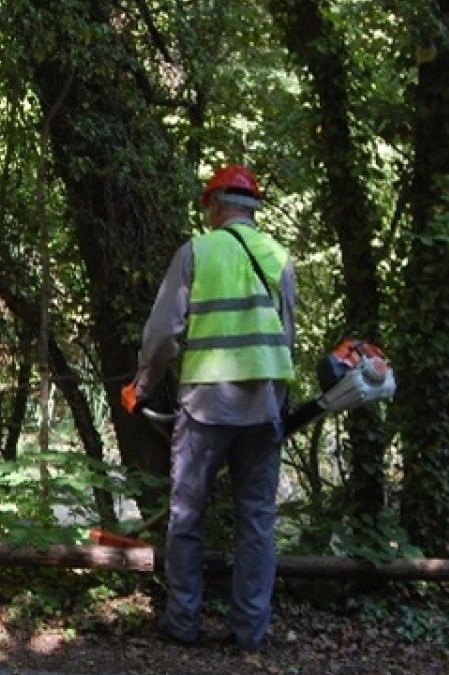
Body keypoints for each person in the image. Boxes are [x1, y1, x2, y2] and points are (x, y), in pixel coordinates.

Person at [120, 165, 296, 651]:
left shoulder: (196, 252)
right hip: (264, 410)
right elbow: (287, 338)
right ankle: (249, 632)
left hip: (205, 410)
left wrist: (142, 387)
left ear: (217, 205)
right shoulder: (279, 258)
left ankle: (182, 621)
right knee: (257, 522)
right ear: (253, 208)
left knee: (187, 516)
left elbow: (162, 336)